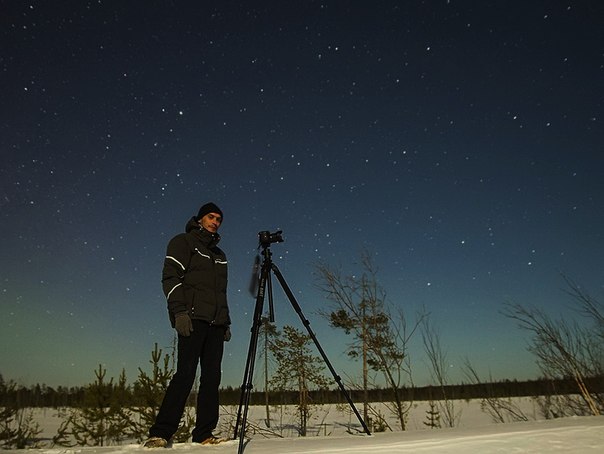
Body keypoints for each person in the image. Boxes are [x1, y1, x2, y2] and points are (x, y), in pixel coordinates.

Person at [144, 202, 231, 448]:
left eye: (219, 219)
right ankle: (161, 432)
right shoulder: (183, 242)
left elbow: (220, 292)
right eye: (211, 217)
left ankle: (204, 433)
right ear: (200, 219)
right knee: (185, 375)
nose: (215, 222)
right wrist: (179, 312)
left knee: (212, 378)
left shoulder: (219, 255)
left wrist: (226, 321)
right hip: (192, 319)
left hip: (216, 323)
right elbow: (170, 278)